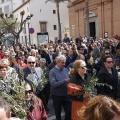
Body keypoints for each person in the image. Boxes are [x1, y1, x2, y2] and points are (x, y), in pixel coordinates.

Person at [49, 55, 71, 120]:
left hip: (66, 94)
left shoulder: (66, 70)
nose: (64, 64)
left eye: (64, 62)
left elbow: (69, 80)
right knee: (58, 113)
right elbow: (53, 84)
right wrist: (65, 81)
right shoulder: (52, 72)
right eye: (62, 63)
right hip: (57, 96)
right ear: (57, 62)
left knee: (69, 111)